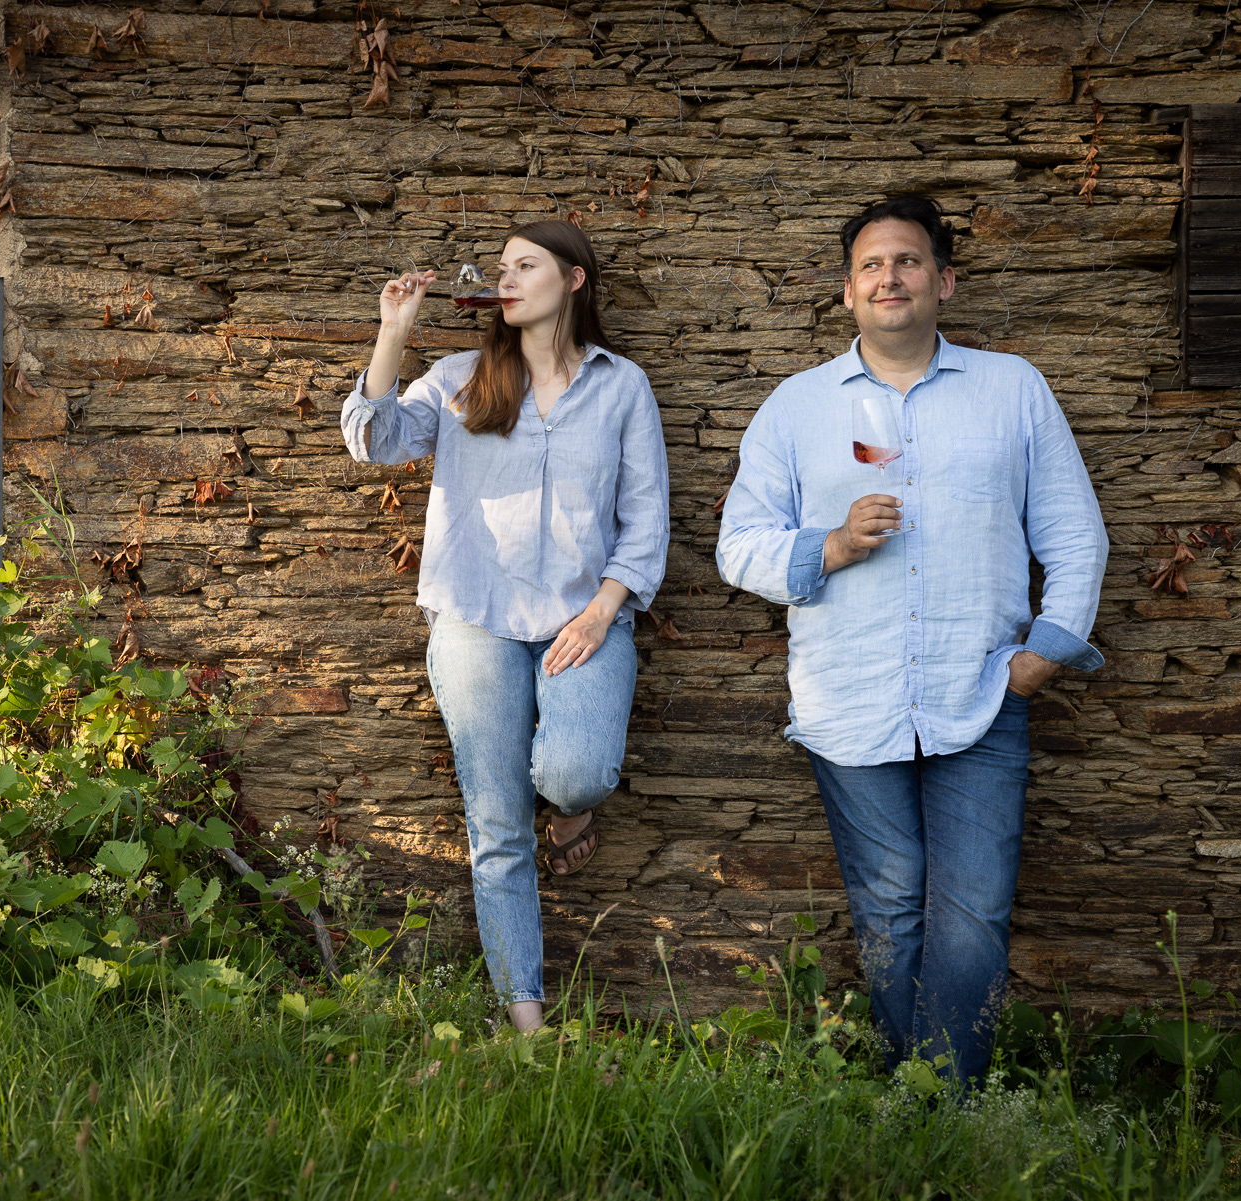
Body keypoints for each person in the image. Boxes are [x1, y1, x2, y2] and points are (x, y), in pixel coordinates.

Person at [717, 194, 1107, 1084]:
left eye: (908, 261)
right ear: (848, 293)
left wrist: (1044, 652)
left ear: (944, 282)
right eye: (870, 266)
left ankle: (946, 1105)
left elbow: (1074, 534)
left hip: (982, 692)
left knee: (974, 911)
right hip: (849, 696)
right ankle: (919, 1099)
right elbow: (738, 547)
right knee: (889, 906)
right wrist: (834, 545)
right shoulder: (797, 406)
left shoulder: (1013, 388)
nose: (888, 276)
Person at [340, 220, 670, 1032]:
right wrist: (393, 333)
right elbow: (371, 439)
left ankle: (572, 809)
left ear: (575, 281)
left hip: (582, 622)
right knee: (495, 825)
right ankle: (527, 1025)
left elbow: (647, 519)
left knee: (578, 771)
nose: (506, 277)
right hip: (476, 622)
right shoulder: (461, 378)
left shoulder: (621, 386)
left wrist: (602, 611)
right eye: (501, 267)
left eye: (527, 265)